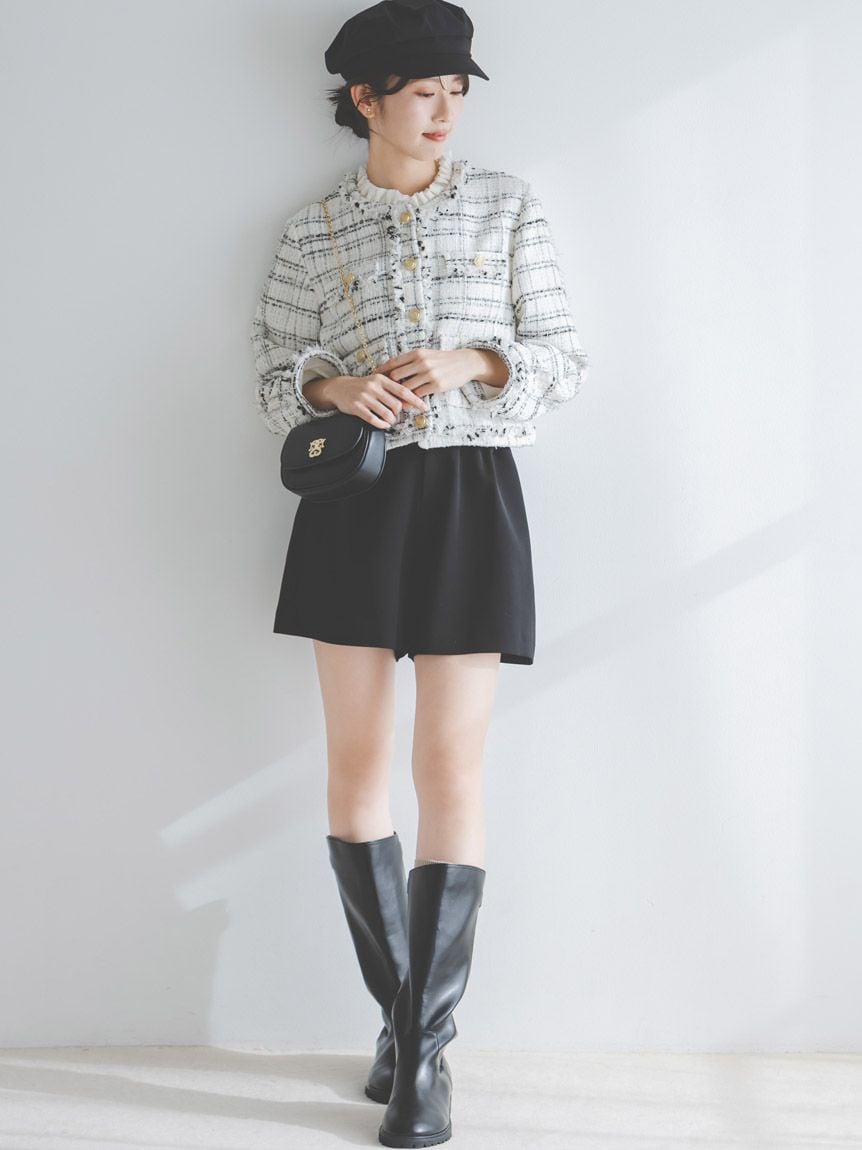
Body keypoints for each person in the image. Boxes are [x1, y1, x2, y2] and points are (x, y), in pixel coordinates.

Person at [250, 2, 590, 1144]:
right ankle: (400, 1025)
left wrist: (472, 358)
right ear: (366, 98)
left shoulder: (507, 204)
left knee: (450, 762)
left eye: (457, 92)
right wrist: (334, 388)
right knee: (356, 766)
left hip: (470, 497)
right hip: (352, 505)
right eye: (424, 92)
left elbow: (564, 357)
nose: (446, 110)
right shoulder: (312, 232)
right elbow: (271, 371)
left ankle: (424, 1056)